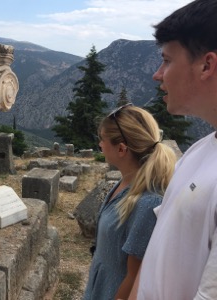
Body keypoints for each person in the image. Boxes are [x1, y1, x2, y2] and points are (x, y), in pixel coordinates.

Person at [129, 0, 217, 299]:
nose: (158, 74)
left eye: (167, 60)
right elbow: (159, 247)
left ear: (207, 65)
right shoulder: (198, 151)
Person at [83, 104, 176, 300]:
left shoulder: (147, 203)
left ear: (122, 149)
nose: (100, 144)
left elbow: (135, 277)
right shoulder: (125, 182)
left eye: (102, 139)